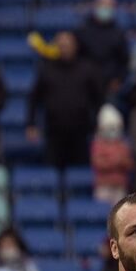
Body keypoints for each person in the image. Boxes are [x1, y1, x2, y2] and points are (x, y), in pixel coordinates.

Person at [27, 31, 103, 170]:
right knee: (53, 169)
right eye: (61, 45)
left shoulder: (87, 69)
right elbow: (34, 99)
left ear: (75, 46)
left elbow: (98, 98)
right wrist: (31, 124)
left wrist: (98, 121)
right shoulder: (46, 69)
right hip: (54, 131)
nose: (65, 48)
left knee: (80, 172)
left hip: (81, 131)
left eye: (68, 45)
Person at [75, 0, 130, 99]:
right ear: (95, 6)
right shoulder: (82, 31)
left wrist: (119, 80)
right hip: (85, 86)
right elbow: (76, 57)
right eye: (102, 5)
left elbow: (124, 61)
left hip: (110, 88)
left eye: (109, 6)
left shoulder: (118, 33)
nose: (105, 8)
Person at [91, 105, 132, 204]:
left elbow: (129, 163)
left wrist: (112, 161)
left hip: (120, 185)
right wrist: (116, 161)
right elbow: (98, 163)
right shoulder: (97, 144)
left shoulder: (123, 144)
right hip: (103, 186)